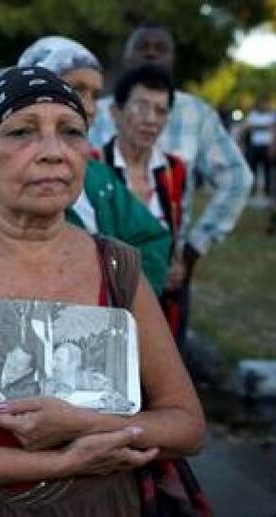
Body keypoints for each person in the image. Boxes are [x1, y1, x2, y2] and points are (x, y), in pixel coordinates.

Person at [0, 66, 205, 515]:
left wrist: (84, 422)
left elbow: (186, 426)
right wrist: (64, 460)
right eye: (21, 132)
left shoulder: (118, 267)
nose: (53, 152)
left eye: (70, 132)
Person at [0, 36, 172, 295]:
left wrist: (113, 300)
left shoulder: (96, 174)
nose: (89, 107)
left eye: (95, 94)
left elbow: (152, 239)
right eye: (77, 88)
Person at [89, 22, 253, 347]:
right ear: (118, 113)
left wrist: (192, 249)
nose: (150, 119)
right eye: (142, 46)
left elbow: (237, 177)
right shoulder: (94, 116)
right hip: (98, 279)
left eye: (160, 47)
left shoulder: (194, 121)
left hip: (169, 279)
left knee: (166, 367)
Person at [105, 65, 187, 338]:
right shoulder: (94, 167)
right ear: (116, 113)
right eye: (141, 107)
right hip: (108, 306)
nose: (151, 119)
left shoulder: (174, 170)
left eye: (161, 111)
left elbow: (175, 228)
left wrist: (175, 263)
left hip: (160, 306)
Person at [242, 96, 275, 198]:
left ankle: (268, 192)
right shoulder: (253, 115)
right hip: (255, 145)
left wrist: (273, 146)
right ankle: (252, 190)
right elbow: (246, 127)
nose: (264, 105)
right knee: (253, 169)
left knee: (267, 170)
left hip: (267, 145)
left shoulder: (272, 116)